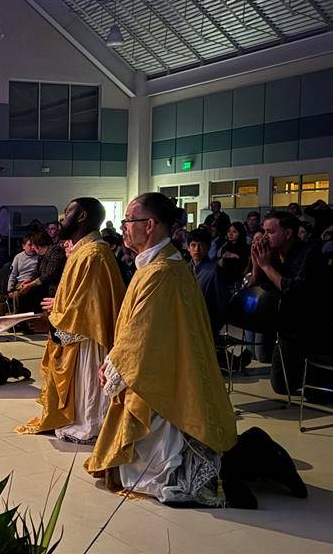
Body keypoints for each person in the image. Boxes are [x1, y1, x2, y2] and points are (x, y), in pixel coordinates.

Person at [87, 193, 237, 506]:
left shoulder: (162, 272)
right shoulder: (158, 263)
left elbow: (144, 336)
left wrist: (115, 365)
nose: (125, 227)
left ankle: (168, 473)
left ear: (150, 225)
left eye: (130, 220)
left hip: (162, 381)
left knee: (157, 454)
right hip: (159, 367)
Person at [16, 198, 125, 443]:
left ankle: (90, 426)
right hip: (76, 327)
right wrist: (59, 305)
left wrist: (53, 324)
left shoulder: (94, 253)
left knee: (87, 387)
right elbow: (80, 295)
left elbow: (90, 307)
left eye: (68, 212)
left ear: (82, 216)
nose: (63, 218)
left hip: (88, 334)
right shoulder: (84, 250)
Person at [248, 211, 330, 395]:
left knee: (317, 393)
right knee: (281, 386)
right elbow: (257, 288)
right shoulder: (274, 254)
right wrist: (256, 264)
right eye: (264, 231)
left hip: (311, 329)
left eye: (271, 232)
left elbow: (294, 290)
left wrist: (267, 266)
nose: (265, 237)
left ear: (288, 233)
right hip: (286, 329)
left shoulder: (310, 253)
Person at [188, 228, 230, 335]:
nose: (197, 249)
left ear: (208, 247)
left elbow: (222, 300)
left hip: (207, 323)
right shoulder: (185, 269)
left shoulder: (214, 270)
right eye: (193, 245)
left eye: (201, 245)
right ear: (188, 248)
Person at [6, 235, 39, 310]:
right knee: (16, 294)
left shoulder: (38, 257)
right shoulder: (18, 257)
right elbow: (13, 274)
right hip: (20, 282)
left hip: (33, 281)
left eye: (33, 245)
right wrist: (10, 289)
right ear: (24, 246)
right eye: (30, 245)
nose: (32, 248)